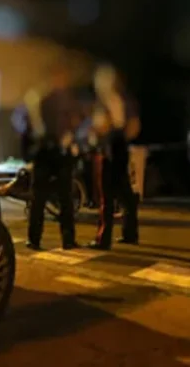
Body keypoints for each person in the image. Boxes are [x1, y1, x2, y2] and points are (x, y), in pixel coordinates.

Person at [23, 61, 83, 251]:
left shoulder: (56, 98)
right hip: (48, 151)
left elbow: (74, 122)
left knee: (61, 198)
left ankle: (64, 239)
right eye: (60, 76)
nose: (62, 81)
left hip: (55, 152)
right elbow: (36, 126)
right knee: (42, 198)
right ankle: (39, 239)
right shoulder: (43, 98)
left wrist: (70, 137)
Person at [88, 64, 141, 249]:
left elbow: (100, 127)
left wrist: (101, 134)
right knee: (125, 192)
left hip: (107, 148)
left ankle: (103, 239)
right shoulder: (127, 100)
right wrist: (123, 137)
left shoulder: (104, 102)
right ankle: (130, 233)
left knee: (106, 196)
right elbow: (135, 126)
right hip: (120, 147)